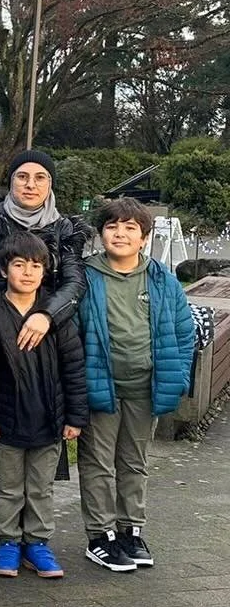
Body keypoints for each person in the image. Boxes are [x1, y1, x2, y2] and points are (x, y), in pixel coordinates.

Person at [0, 149, 90, 563]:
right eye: (22, 177)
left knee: (36, 473)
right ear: (10, 181)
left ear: (51, 185)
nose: (31, 184)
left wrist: (46, 316)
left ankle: (34, 540)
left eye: (40, 178)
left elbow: (75, 282)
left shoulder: (65, 230)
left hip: (46, 338)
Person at [77, 197, 195, 573]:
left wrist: (176, 379)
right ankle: (100, 537)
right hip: (100, 385)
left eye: (130, 228)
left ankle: (130, 531)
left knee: (134, 462)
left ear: (144, 237)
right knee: (97, 463)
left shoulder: (162, 279)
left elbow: (182, 332)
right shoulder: (84, 276)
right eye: (112, 226)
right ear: (101, 234)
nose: (121, 234)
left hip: (146, 388)